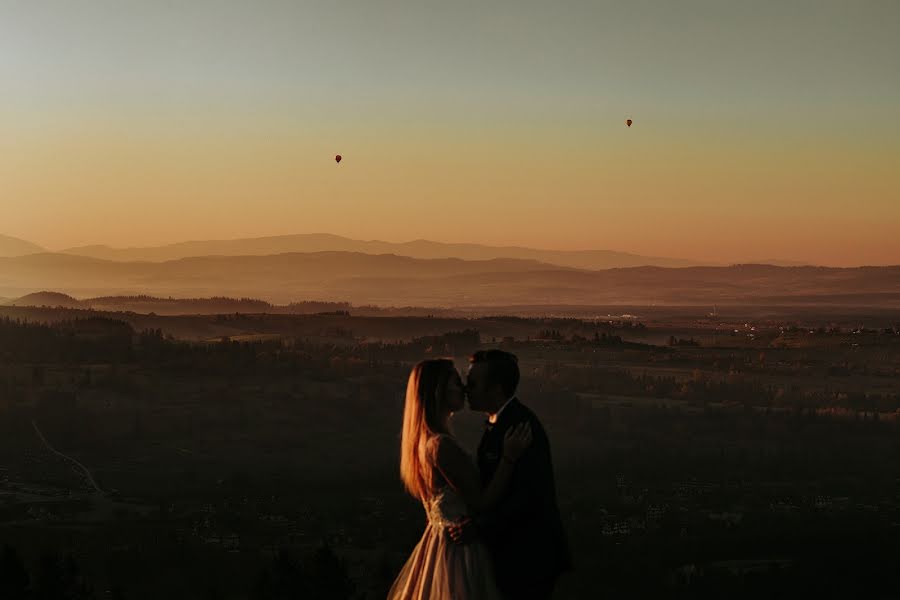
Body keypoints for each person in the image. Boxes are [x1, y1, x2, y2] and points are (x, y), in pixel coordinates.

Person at [388, 359, 533, 599]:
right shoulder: (441, 446)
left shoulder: (422, 444)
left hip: (437, 545)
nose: (464, 387)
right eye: (456, 381)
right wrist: (509, 458)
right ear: (438, 390)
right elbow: (481, 501)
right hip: (459, 552)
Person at [449, 350, 571, 600]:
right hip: (515, 554)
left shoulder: (520, 427)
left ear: (496, 389)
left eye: (473, 384)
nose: (466, 389)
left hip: (528, 558)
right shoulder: (503, 421)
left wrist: (479, 528)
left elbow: (529, 496)